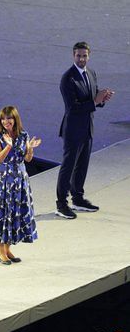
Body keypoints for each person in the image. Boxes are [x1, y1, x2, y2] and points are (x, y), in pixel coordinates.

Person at [55, 41, 114, 219]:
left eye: (84, 55)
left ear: (89, 56)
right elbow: (72, 108)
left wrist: (102, 98)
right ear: (73, 56)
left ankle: (78, 198)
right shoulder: (68, 78)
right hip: (73, 129)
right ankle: (61, 204)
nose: (81, 58)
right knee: (68, 166)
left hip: (87, 127)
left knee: (82, 165)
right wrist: (95, 102)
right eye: (78, 55)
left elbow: (93, 97)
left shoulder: (91, 73)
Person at [0, 106, 41, 264]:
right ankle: (1, 252)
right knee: (2, 213)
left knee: (14, 214)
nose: (6, 122)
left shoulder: (23, 135)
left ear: (15, 119)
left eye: (9, 118)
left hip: (19, 179)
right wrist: (8, 145)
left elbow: (27, 159)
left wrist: (31, 149)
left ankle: (8, 249)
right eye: (3, 119)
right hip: (2, 181)